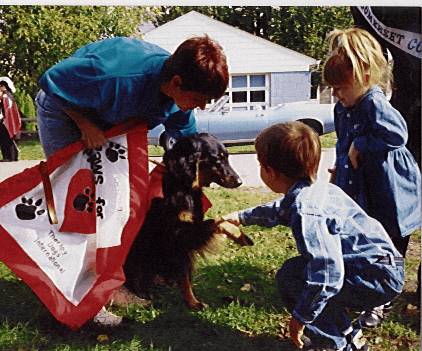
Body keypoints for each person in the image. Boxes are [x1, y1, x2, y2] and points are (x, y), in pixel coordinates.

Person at [35, 35, 229, 325]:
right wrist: (84, 123)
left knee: (117, 203)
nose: (202, 106)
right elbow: (53, 80)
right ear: (175, 83)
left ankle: (112, 278)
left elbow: (185, 140)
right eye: (199, 98)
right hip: (65, 109)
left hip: (109, 120)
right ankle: (86, 298)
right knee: (81, 206)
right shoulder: (117, 75)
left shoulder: (178, 98)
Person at [222, 121, 404, 351]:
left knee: (297, 280)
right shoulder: (317, 190)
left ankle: (331, 345)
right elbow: (280, 209)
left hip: (374, 277)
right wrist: (242, 216)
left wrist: (300, 318)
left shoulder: (308, 212)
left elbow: (327, 275)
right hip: (384, 267)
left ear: (271, 171)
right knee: (295, 271)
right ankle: (349, 336)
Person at [323, 28, 421, 327]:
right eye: (333, 90)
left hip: (389, 185)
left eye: (341, 88)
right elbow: (344, 143)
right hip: (362, 183)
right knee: (363, 237)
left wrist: (361, 144)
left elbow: (396, 134)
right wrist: (339, 169)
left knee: (388, 238)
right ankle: (362, 289)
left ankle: (383, 297)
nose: (337, 95)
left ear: (364, 78)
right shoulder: (343, 106)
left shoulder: (374, 102)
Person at [0, 77, 21, 162]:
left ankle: (8, 157)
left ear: (4, 86)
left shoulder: (6, 97)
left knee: (6, 140)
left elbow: (4, 111)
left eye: (1, 86)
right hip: (6, 121)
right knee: (9, 139)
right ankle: (13, 157)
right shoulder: (9, 96)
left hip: (4, 122)